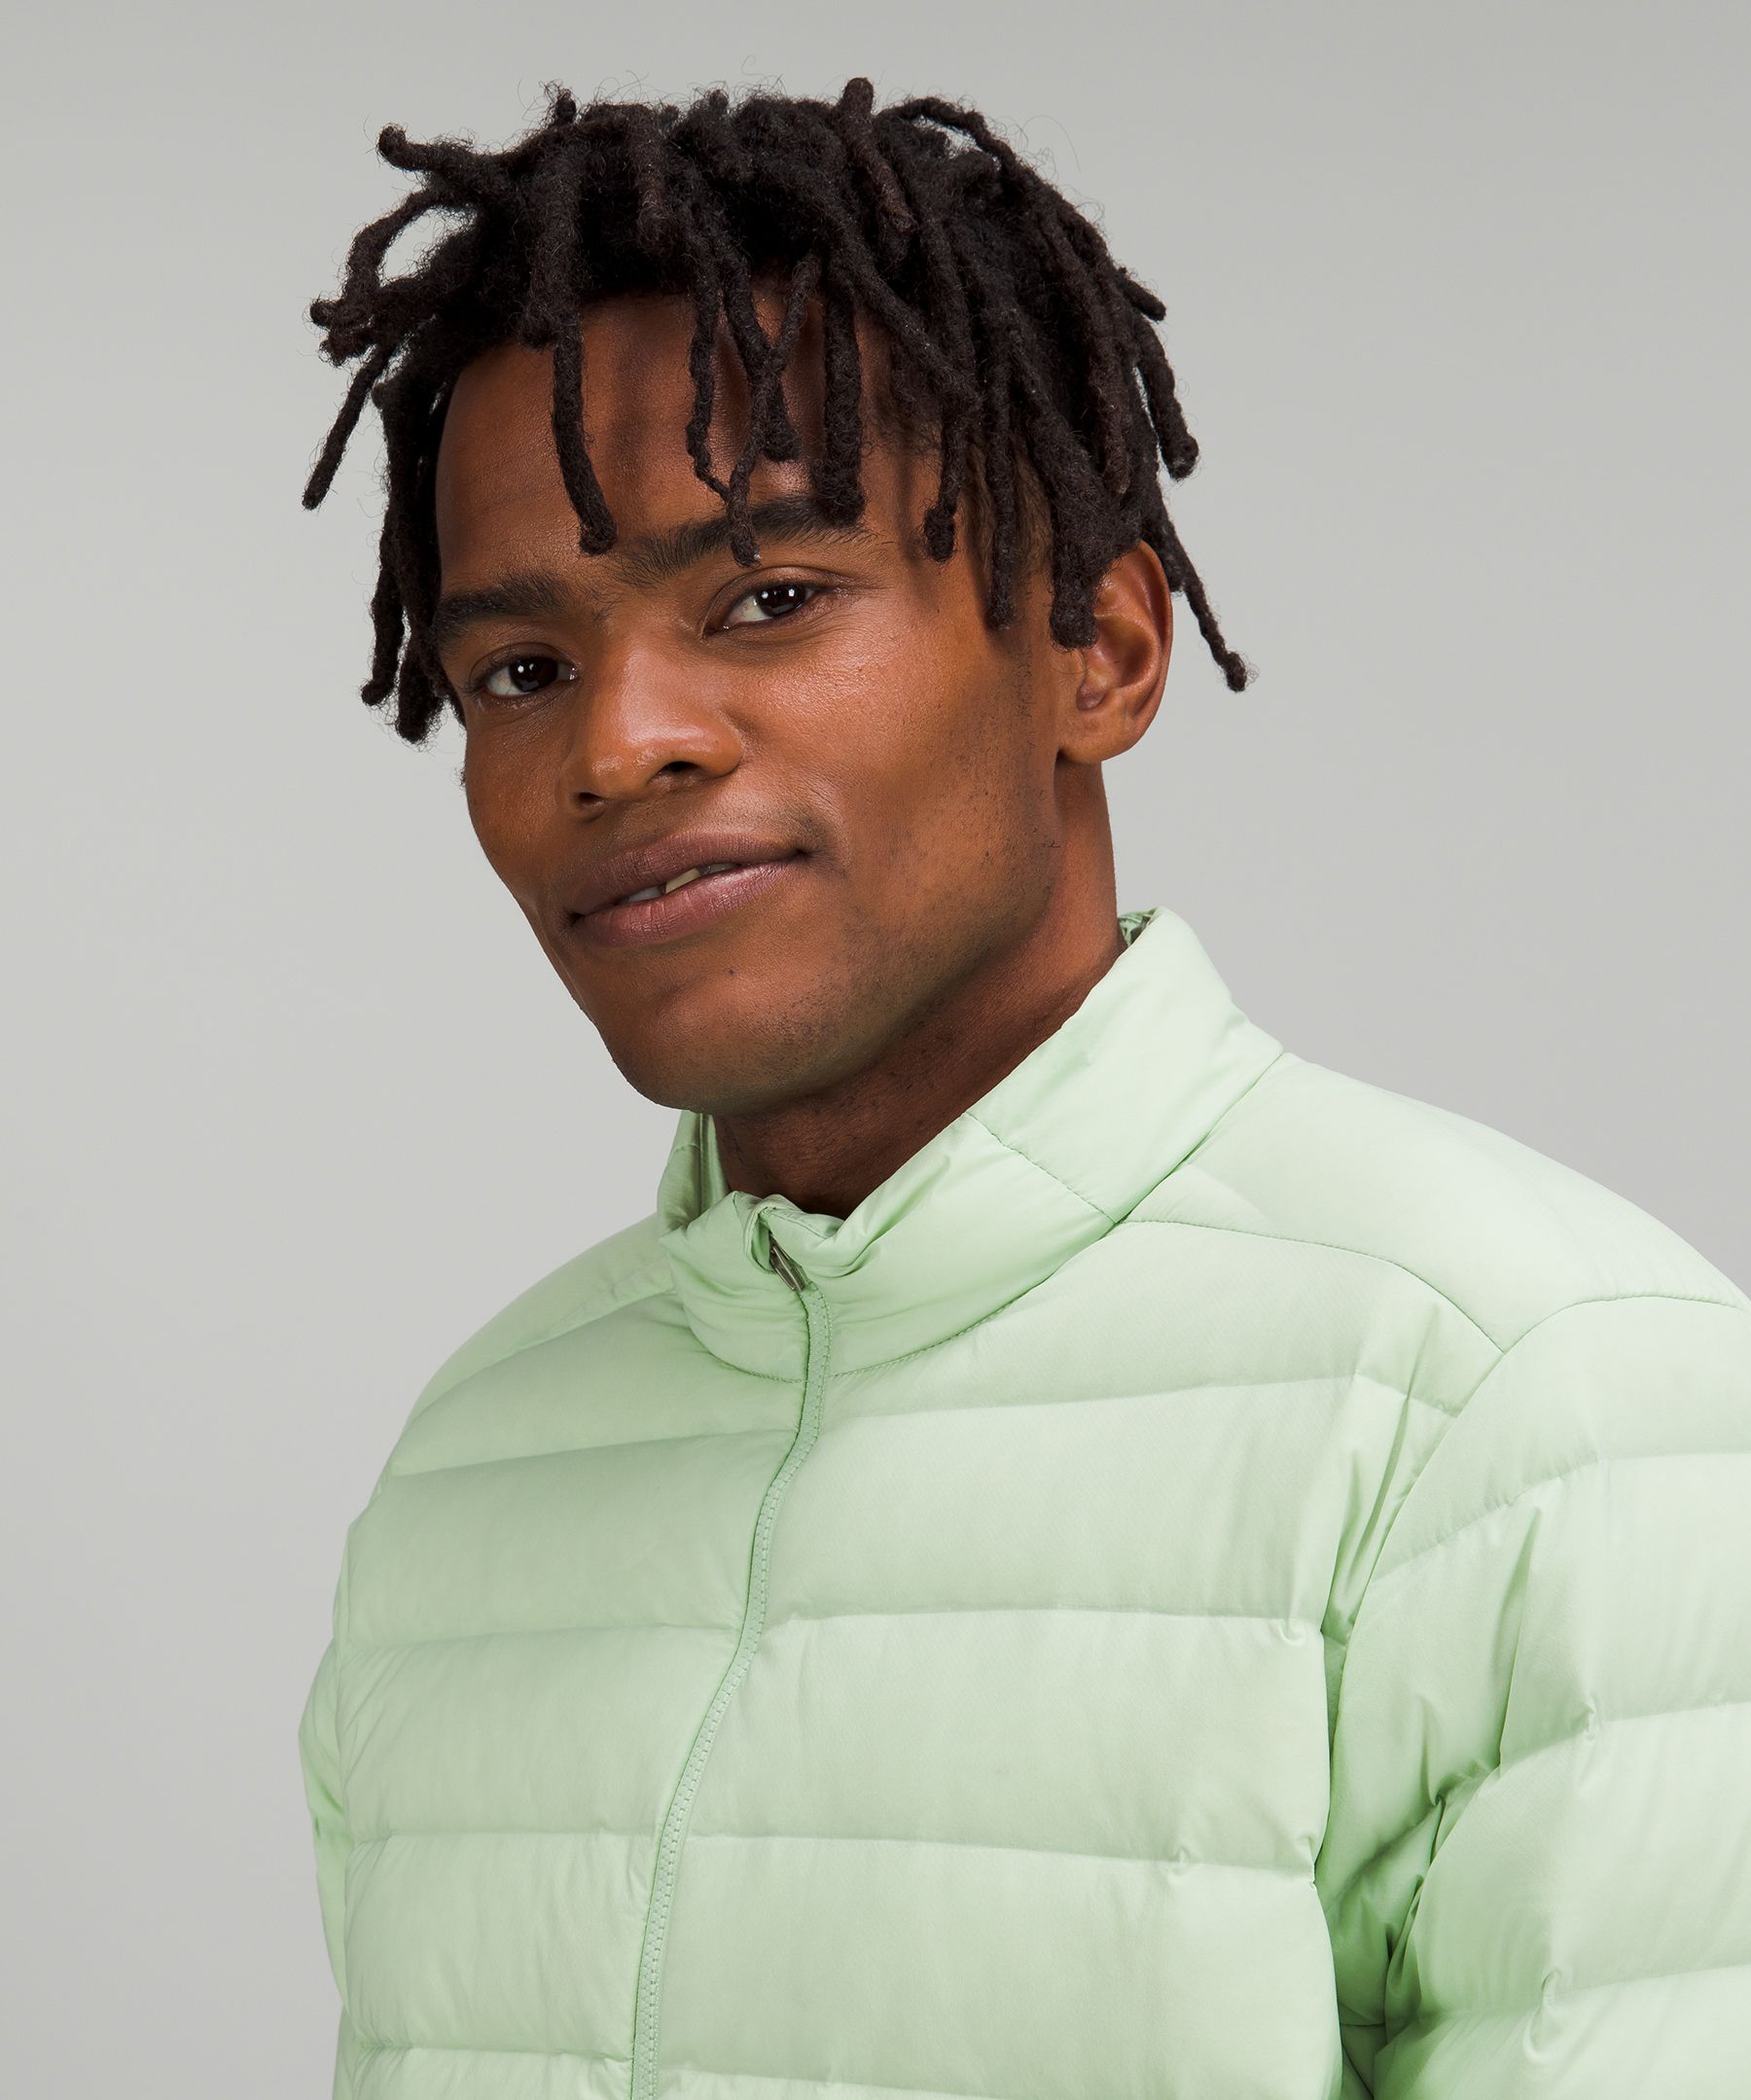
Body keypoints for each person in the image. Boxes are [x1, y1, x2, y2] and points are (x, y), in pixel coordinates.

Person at [296, 78, 1751, 2100]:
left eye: (768, 599)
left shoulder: (1536, 1408)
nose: (618, 745)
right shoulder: (481, 1465)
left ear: (1103, 651)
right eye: (520, 673)